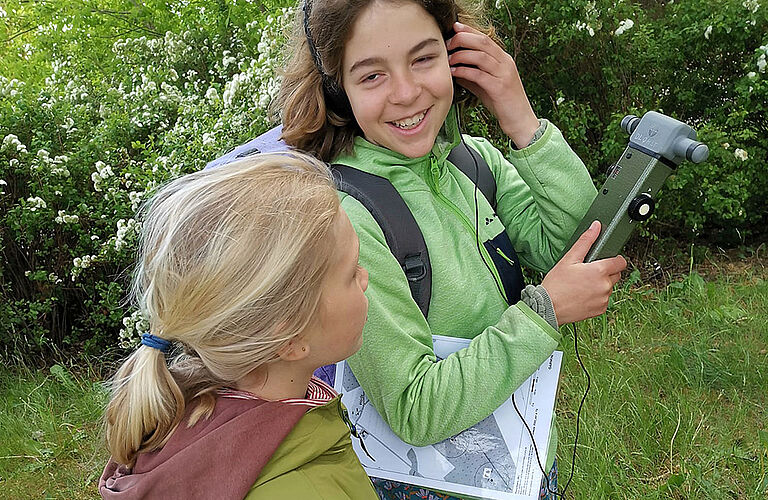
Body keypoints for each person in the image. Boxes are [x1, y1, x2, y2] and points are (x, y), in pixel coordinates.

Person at [277, 0, 627, 498]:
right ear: (337, 91)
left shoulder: (474, 163)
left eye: (423, 59)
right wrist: (543, 313)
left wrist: (521, 119)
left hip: (518, 460)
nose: (405, 93)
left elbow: (575, 250)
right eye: (371, 76)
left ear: (456, 55)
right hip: (427, 485)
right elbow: (414, 410)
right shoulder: (345, 219)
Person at [98, 152, 378, 499]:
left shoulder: (186, 412)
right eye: (351, 273)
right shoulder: (303, 488)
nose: (364, 279)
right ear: (289, 338)